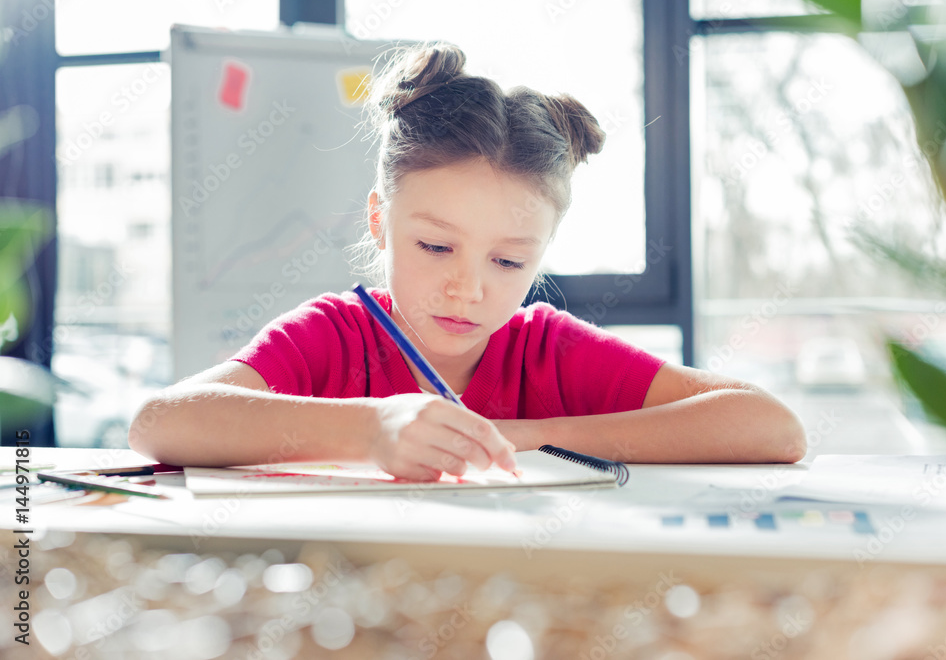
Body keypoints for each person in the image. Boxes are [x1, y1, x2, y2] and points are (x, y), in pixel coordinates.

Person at [129, 42, 806, 481]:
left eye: (508, 262)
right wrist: (373, 428)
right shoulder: (336, 335)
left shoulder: (545, 350)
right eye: (435, 246)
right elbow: (160, 422)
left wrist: (528, 436)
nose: (467, 288)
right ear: (379, 221)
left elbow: (773, 427)